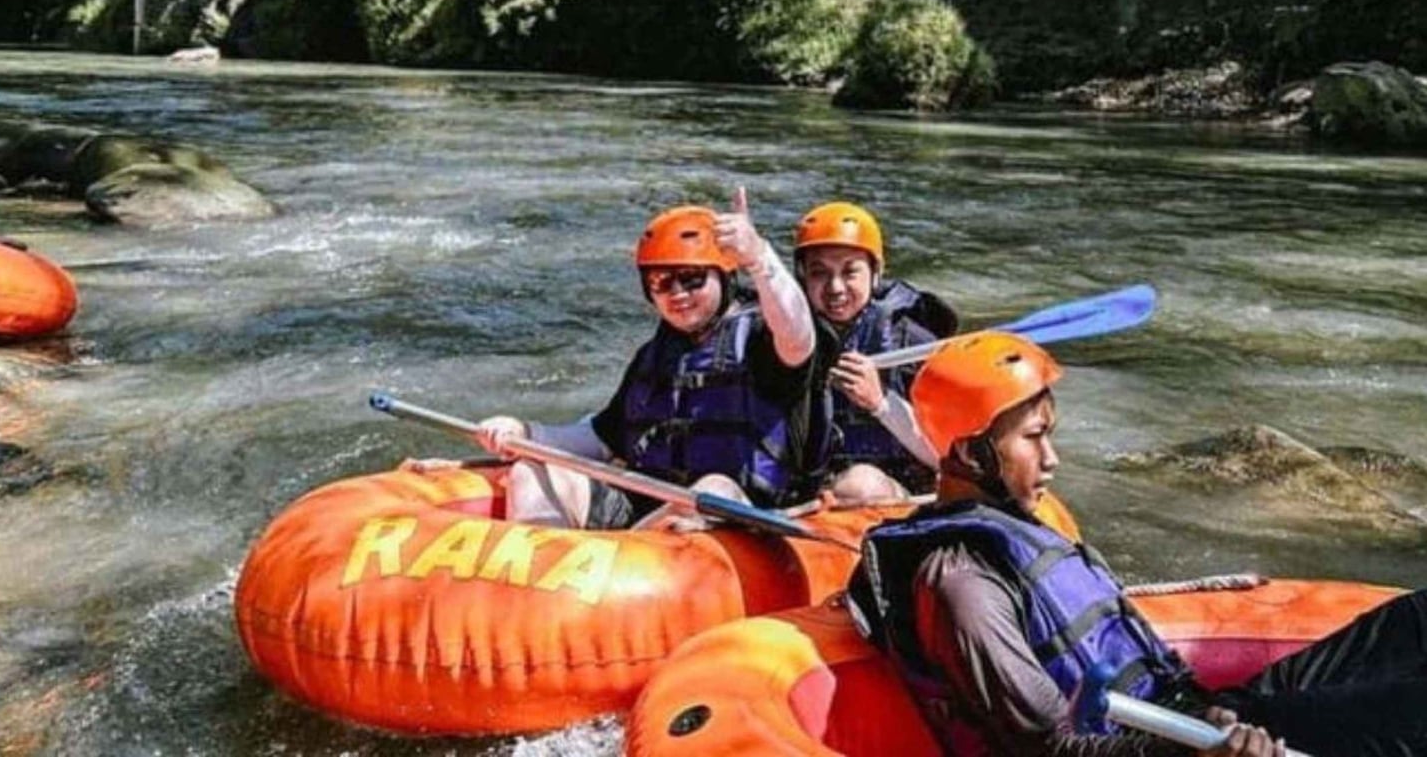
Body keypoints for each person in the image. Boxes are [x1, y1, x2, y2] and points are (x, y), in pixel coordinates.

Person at [846, 331, 1427, 757]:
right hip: (1170, 744)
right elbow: (1050, 749)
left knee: (1418, 617)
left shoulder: (1006, 524)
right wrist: (1199, 751)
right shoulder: (959, 583)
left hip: (1192, 710)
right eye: (1034, 438)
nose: (1053, 458)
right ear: (971, 454)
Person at [408, 189, 818, 530]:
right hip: (648, 511)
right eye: (661, 281)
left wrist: (758, 259)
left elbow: (799, 335)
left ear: (725, 277)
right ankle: (543, 598)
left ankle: (621, 568)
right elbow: (602, 439)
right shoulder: (654, 358)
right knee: (532, 471)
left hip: (741, 515)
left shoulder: (764, 339)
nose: (676, 292)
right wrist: (523, 432)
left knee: (712, 491)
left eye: (692, 278)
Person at [794, 201, 958, 501]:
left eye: (850, 272)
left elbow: (951, 459)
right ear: (802, 276)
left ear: (875, 273)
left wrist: (880, 403)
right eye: (819, 273)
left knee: (860, 484)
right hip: (813, 497)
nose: (835, 288)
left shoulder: (915, 345)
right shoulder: (780, 341)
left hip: (894, 493)